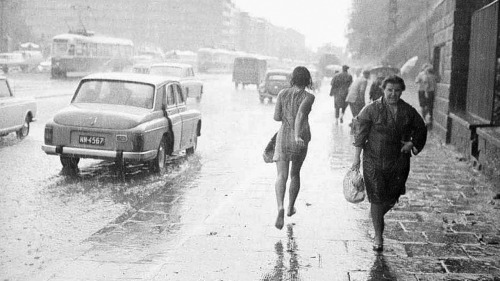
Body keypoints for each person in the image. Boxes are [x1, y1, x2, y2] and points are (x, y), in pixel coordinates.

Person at [351, 75, 427, 251]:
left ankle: (375, 216)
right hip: (373, 159)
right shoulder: (370, 109)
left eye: (397, 91)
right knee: (376, 196)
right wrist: (356, 158)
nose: (393, 94)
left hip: (398, 160)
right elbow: (360, 134)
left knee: (393, 197)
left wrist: (412, 143)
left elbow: (421, 128)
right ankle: (378, 237)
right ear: (383, 90)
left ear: (401, 92)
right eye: (389, 90)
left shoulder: (408, 111)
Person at [273, 66, 315, 230]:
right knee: (295, 174)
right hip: (300, 138)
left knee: (281, 175)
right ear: (307, 80)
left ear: (293, 78)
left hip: (283, 136)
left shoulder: (282, 94)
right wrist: (297, 135)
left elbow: (276, 117)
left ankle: (280, 208)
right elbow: (301, 115)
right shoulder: (309, 97)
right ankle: (290, 207)